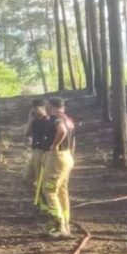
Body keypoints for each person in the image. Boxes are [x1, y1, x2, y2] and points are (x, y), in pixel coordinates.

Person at [41, 97, 76, 237]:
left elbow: (62, 131)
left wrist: (53, 146)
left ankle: (58, 225)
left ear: (52, 106)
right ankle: (65, 223)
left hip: (58, 157)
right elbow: (73, 140)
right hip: (67, 156)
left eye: (47, 106)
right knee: (62, 190)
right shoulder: (69, 120)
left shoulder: (56, 119)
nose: (46, 108)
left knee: (49, 190)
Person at [24, 100, 52, 211]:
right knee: (28, 178)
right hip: (35, 151)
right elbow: (26, 133)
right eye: (33, 108)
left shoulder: (48, 120)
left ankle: (44, 205)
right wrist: (30, 120)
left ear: (43, 108)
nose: (34, 110)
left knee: (41, 179)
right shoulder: (35, 121)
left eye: (36, 108)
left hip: (43, 152)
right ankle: (40, 202)